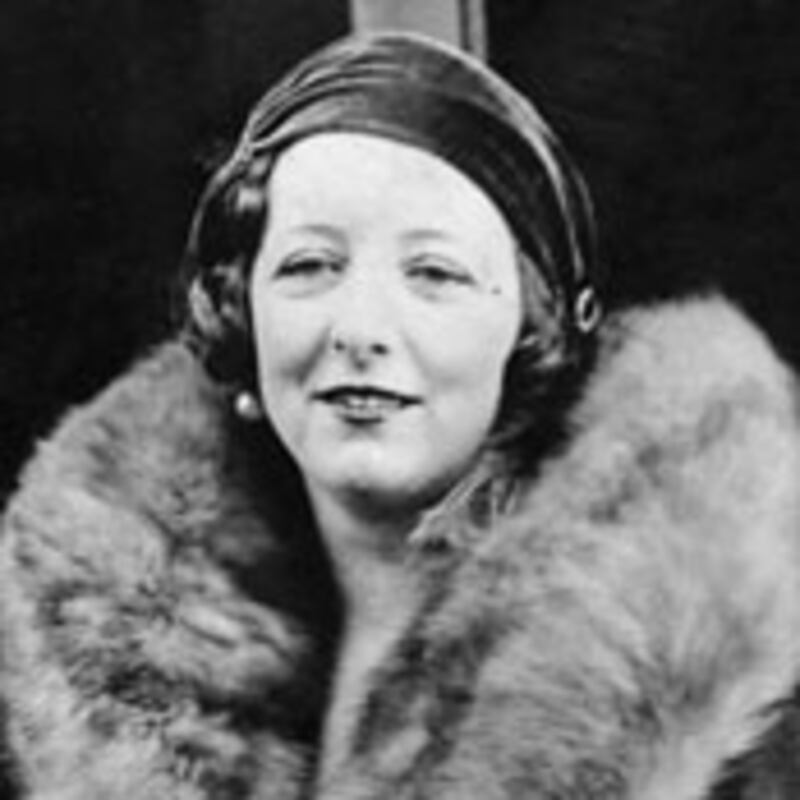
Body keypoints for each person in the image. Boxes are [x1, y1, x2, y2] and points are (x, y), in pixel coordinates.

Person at [2, 31, 800, 800]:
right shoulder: (84, 673)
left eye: (434, 274)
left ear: (532, 331)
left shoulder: (740, 712)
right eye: (310, 265)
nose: (361, 329)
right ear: (243, 319)